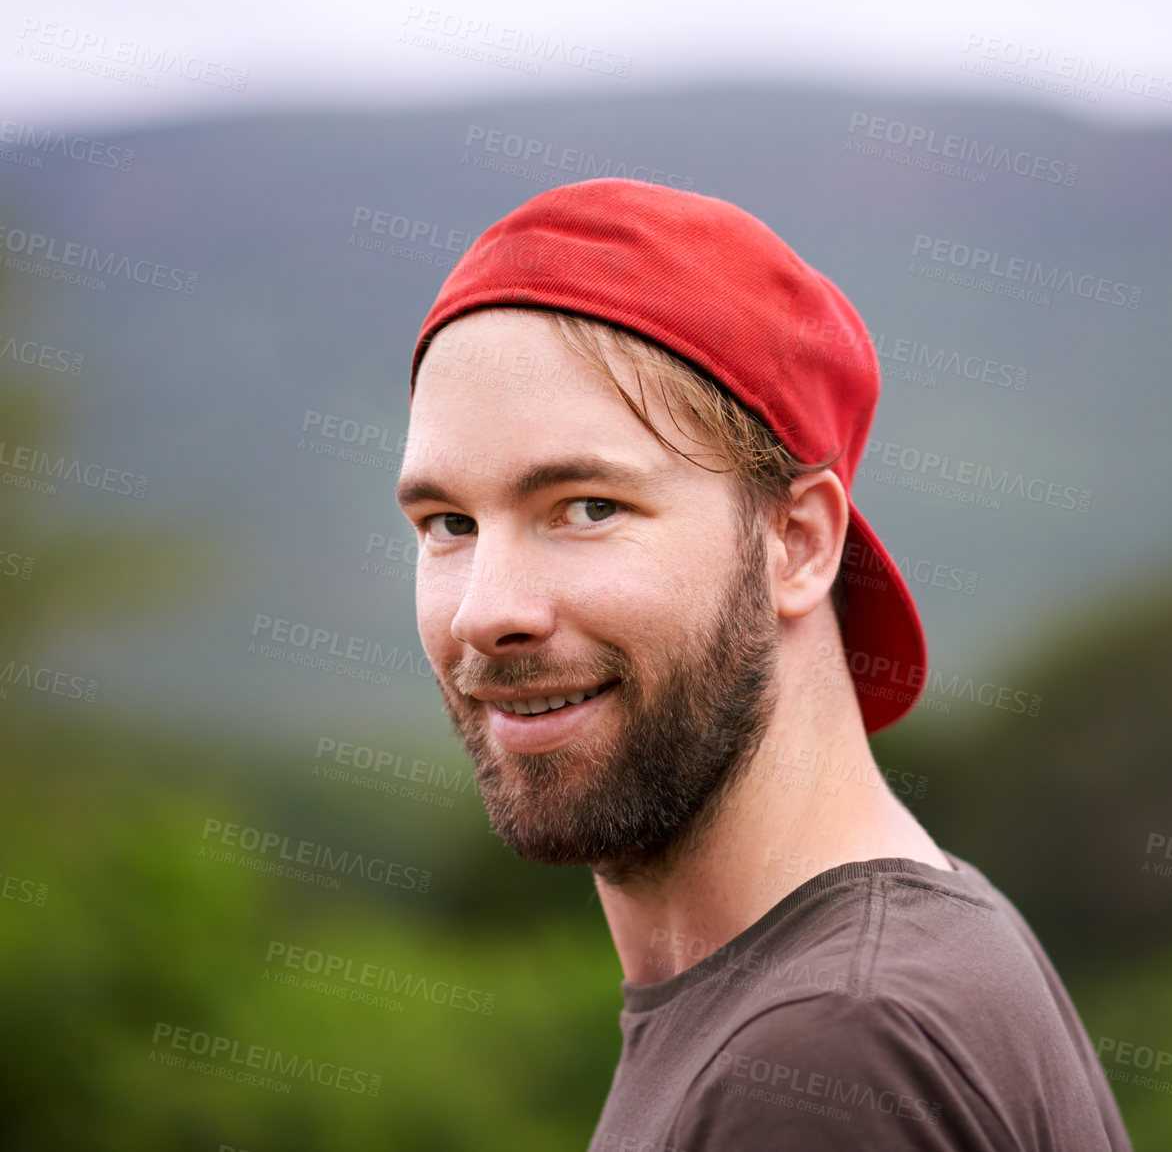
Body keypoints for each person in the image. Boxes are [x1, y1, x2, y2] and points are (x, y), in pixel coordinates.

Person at [397, 178, 1131, 1151]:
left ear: (798, 543)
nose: (487, 612)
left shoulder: (829, 1059)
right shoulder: (909, 957)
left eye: (588, 507)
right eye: (448, 523)